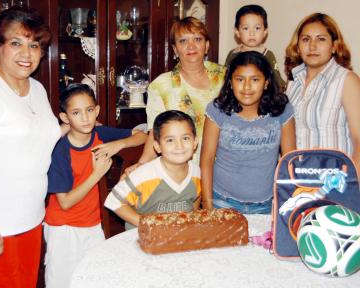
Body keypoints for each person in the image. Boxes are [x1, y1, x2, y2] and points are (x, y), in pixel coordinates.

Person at [0, 7, 60, 287]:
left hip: (29, 221)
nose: (26, 54)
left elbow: (35, 136)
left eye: (34, 45)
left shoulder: (37, 89)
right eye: (16, 43)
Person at [43, 83, 147, 288]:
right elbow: (65, 202)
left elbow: (142, 134)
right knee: (62, 283)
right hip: (64, 228)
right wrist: (97, 173)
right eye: (76, 112)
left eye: (90, 110)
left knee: (97, 279)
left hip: (92, 224)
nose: (85, 118)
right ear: (65, 117)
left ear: (97, 110)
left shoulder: (100, 134)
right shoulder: (60, 149)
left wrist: (118, 144)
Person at [201, 51, 296, 214]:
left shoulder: (282, 109)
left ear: (266, 82)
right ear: (230, 82)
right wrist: (208, 207)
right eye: (239, 79)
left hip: (267, 205)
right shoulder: (217, 109)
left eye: (255, 79)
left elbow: (289, 161)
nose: (246, 87)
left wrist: (287, 206)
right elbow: (206, 160)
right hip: (222, 202)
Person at [133, 16, 225, 169]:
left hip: (227, 170)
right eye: (183, 41)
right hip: (183, 171)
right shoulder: (161, 86)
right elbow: (155, 135)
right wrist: (140, 166)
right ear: (175, 49)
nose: (191, 46)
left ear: (207, 45)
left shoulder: (226, 77)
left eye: (197, 39)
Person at [285, 13, 360, 173]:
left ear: (334, 46)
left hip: (336, 184)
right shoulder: (291, 85)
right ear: (298, 47)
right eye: (306, 39)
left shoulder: (347, 80)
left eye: (321, 39)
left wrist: (352, 186)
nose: (312, 46)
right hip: (299, 184)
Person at [104, 110, 201, 229]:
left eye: (185, 138)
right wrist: (145, 224)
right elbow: (113, 201)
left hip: (177, 238)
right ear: (157, 146)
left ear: (195, 142)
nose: (179, 146)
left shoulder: (196, 172)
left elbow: (195, 199)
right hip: (142, 239)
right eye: (170, 140)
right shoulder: (144, 175)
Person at [225, 4, 285, 90]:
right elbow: (225, 80)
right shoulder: (233, 54)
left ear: (265, 31)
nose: (252, 33)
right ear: (237, 31)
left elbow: (278, 82)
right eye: (246, 28)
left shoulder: (267, 55)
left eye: (257, 28)